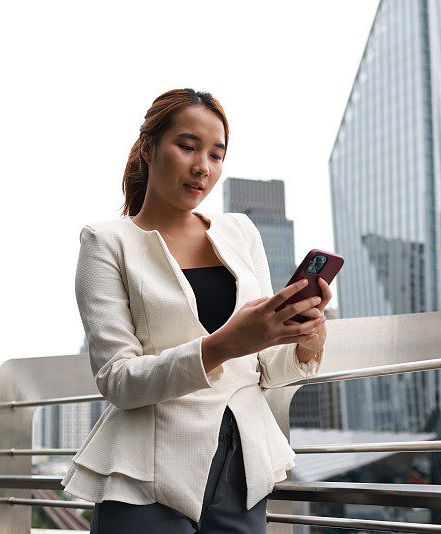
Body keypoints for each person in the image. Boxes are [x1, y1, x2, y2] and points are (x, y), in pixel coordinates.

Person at [60, 88, 329, 533]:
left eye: (216, 154)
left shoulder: (240, 231)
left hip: (241, 463)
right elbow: (118, 380)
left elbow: (265, 369)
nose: (202, 166)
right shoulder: (106, 241)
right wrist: (222, 345)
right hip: (147, 471)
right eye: (187, 146)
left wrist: (305, 336)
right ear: (148, 147)